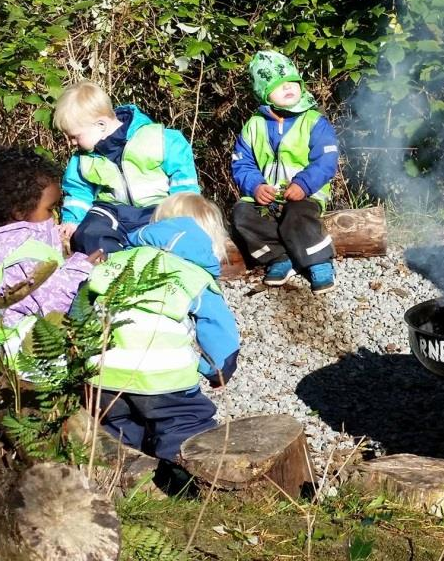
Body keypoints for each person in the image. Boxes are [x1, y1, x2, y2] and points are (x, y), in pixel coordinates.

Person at [84, 192, 239, 466]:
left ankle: (124, 482)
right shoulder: (196, 276)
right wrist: (218, 370)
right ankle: (181, 484)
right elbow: (218, 331)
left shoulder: (121, 260)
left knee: (119, 431)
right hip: (163, 376)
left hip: (103, 373)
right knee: (183, 428)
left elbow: (85, 303)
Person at [0, 146, 98, 373]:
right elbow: (54, 301)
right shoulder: (23, 253)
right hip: (29, 353)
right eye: (50, 208)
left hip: (2, 332)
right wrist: (84, 266)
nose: (54, 215)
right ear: (19, 211)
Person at [231, 50, 338, 292]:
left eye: (293, 83)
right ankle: (278, 257)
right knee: (242, 214)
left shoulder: (313, 121)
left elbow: (326, 159)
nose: (289, 88)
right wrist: (256, 186)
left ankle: (319, 260)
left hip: (307, 193)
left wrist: (303, 184)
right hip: (268, 194)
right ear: (264, 93)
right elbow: (241, 163)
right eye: (280, 86)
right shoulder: (254, 126)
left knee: (298, 214)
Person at [54, 81, 201, 256]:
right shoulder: (83, 159)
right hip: (111, 212)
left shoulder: (160, 139)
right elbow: (78, 192)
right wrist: (73, 220)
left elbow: (183, 177)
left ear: (100, 125)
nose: (72, 143)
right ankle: (114, 268)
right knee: (89, 234)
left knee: (177, 236)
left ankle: (153, 263)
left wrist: (183, 210)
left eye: (75, 136)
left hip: (157, 209)